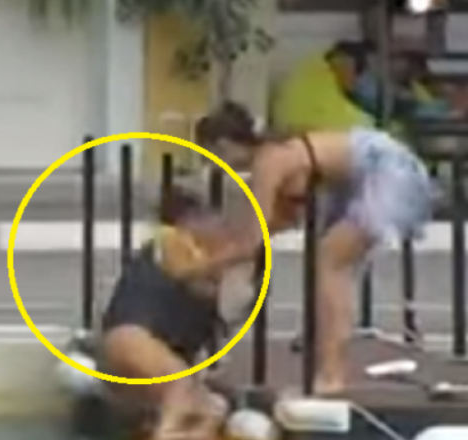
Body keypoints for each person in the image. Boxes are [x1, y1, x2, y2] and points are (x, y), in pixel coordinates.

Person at [185, 101, 435, 394]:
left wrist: (202, 266)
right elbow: (276, 222)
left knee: (330, 262)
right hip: (366, 174)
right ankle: (329, 365)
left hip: (385, 170)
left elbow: (252, 241)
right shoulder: (276, 158)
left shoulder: (268, 162)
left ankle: (331, 375)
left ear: (225, 145)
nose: (216, 166)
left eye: (214, 156)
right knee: (329, 264)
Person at [100, 188, 242, 440]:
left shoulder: (198, 262)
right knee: (179, 382)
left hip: (144, 348)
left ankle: (190, 438)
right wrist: (231, 256)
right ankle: (165, 434)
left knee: (211, 407)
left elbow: (203, 292)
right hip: (130, 338)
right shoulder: (171, 239)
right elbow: (185, 273)